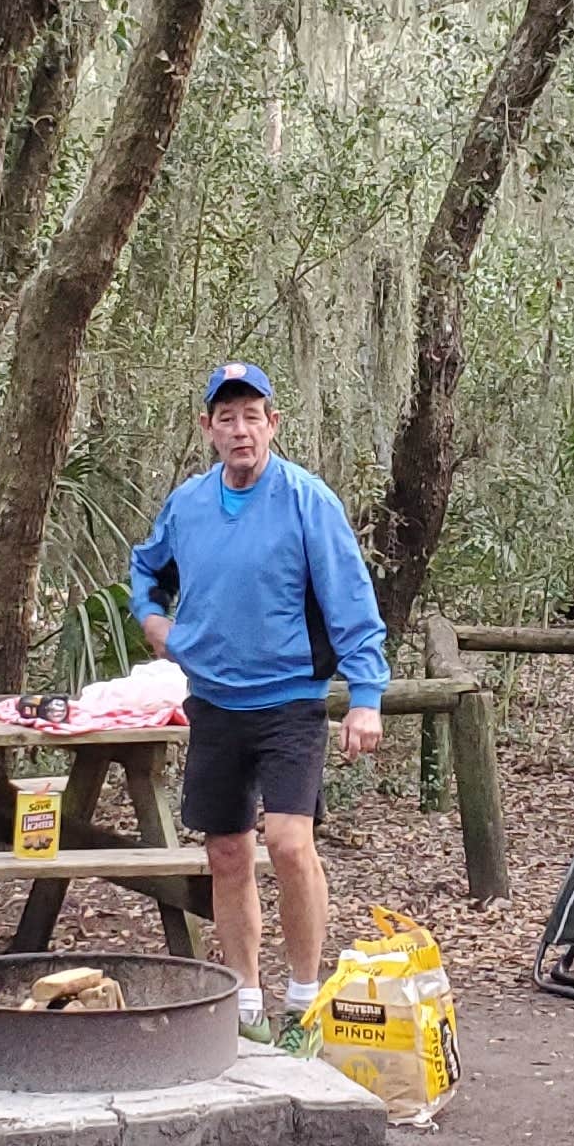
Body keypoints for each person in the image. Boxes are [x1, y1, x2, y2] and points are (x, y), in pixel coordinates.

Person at [127, 361, 387, 1043]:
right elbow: (145, 568)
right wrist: (152, 620)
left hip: (291, 699)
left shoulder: (308, 501)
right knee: (227, 853)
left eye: (252, 416)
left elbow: (353, 602)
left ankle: (305, 997)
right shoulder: (187, 505)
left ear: (273, 424)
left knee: (290, 843)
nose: (240, 430)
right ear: (208, 428)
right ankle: (244, 1004)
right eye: (226, 417)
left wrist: (366, 696)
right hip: (213, 700)